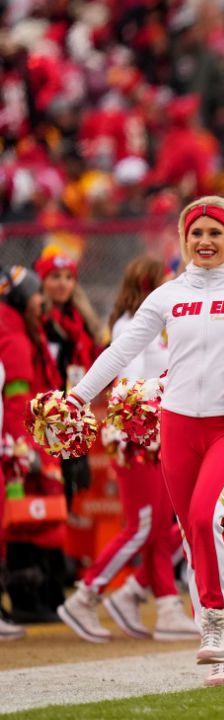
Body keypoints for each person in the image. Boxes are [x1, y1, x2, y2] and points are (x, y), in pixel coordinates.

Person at [66, 196, 224, 687]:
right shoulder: (166, 294)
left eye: (215, 232)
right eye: (196, 233)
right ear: (185, 240)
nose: (205, 241)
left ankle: (214, 621)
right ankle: (218, 646)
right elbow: (124, 348)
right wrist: (79, 396)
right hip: (177, 424)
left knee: (208, 516)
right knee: (193, 532)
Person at [57, 257, 199, 643]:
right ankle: (86, 595)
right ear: (149, 284)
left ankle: (153, 601)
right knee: (143, 526)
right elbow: (130, 380)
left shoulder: (166, 323)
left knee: (164, 525)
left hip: (157, 433)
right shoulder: (129, 324)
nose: (173, 284)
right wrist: (141, 424)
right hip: (134, 436)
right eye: (165, 279)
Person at [0, 265, 58, 636]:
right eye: (37, 293)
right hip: (13, 443)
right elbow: (17, 398)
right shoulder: (16, 338)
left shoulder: (14, 330)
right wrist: (20, 447)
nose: (42, 301)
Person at [36, 249, 105, 507]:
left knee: (69, 494)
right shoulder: (37, 320)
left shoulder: (82, 324)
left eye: (68, 276)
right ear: (42, 281)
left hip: (72, 416)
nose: (63, 283)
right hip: (42, 418)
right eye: (54, 276)